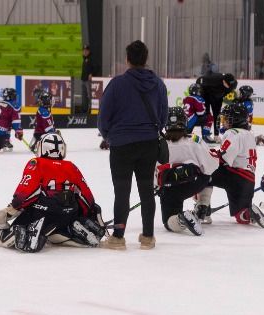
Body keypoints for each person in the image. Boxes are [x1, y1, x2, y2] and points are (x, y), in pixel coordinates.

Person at [98, 40, 168, 250]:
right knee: (147, 189)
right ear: (146, 59)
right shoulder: (158, 84)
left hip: (121, 145)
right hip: (148, 143)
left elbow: (103, 117)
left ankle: (118, 237)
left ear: (127, 59)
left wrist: (110, 136)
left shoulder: (117, 84)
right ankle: (148, 236)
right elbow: (163, 117)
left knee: (122, 191)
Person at [0, 133, 106, 252]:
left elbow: (26, 193)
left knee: (8, 234)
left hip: (43, 213)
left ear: (42, 147)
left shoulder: (36, 163)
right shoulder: (71, 166)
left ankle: (13, 234)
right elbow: (86, 196)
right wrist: (87, 213)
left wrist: (11, 210)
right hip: (69, 214)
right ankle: (66, 232)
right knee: (62, 218)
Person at [156, 107, 218, 236]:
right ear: (184, 121)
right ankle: (203, 206)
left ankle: (180, 219)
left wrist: (156, 187)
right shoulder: (194, 139)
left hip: (171, 188)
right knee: (207, 174)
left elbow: (153, 170)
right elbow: (211, 165)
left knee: (169, 222)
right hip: (195, 183)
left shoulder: (159, 144)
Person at [206, 102, 264, 228]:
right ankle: (247, 213)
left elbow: (224, 158)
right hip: (248, 181)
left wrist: (208, 156)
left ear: (236, 120)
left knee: (203, 173)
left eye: (227, 118)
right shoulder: (249, 135)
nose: (224, 121)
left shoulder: (232, 133)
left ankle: (202, 210)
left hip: (234, 176)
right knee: (241, 216)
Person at [196, 72, 237, 140]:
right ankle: (205, 135)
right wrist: (202, 97)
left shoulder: (232, 84)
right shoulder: (211, 79)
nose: (229, 87)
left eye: (230, 86)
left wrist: (223, 95)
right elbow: (198, 81)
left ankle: (216, 135)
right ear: (223, 81)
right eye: (228, 85)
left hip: (218, 96)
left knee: (217, 115)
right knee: (207, 115)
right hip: (206, 94)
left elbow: (230, 90)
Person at [80, 45, 94, 113]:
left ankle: (90, 109)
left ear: (89, 51)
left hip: (88, 80)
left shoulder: (91, 58)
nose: (85, 52)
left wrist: (92, 73)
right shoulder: (83, 58)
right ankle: (84, 109)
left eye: (86, 51)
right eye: (84, 51)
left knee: (89, 95)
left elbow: (97, 67)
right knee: (84, 95)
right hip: (83, 79)